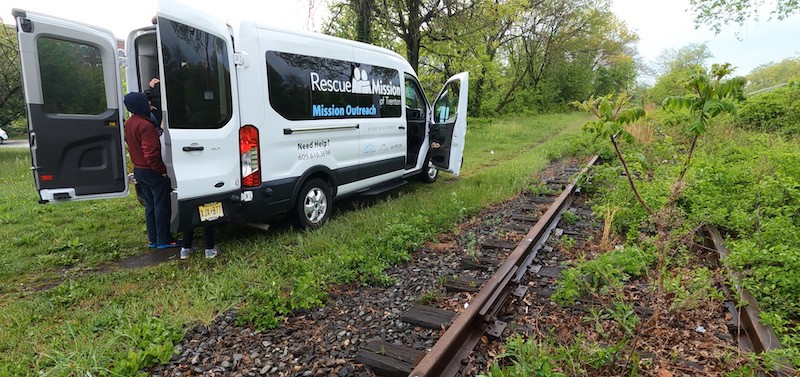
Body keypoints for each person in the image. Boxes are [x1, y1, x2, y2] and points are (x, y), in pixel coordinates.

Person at [124, 92, 177, 250]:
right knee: (161, 205)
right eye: (146, 102)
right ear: (140, 104)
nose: (149, 104)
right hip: (151, 170)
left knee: (150, 205)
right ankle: (164, 239)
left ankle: (152, 239)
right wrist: (162, 170)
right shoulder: (145, 126)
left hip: (139, 170)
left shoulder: (130, 123)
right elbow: (151, 153)